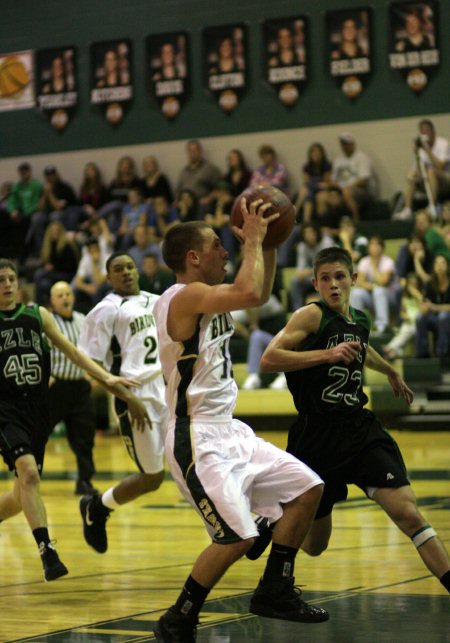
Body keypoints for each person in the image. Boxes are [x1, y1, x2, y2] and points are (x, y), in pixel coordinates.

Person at [152, 208, 329, 641]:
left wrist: (266, 244)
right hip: (195, 437)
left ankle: (275, 589)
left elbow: (259, 291)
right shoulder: (183, 296)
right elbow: (251, 291)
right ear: (193, 257)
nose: (224, 250)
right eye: (216, 245)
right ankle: (179, 619)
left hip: (230, 430)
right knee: (236, 539)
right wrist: (253, 239)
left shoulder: (206, 294)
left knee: (308, 488)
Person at [258, 246, 450, 598]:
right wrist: (326, 354)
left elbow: (362, 346)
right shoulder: (310, 317)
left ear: (354, 279)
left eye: (340, 277)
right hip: (316, 436)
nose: (333, 285)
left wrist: (389, 369)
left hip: (359, 430)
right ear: (316, 284)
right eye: (326, 279)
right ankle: (274, 519)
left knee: (409, 514)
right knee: (315, 545)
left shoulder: (359, 320)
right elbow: (268, 360)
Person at [0, 258, 145, 581]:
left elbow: (75, 354)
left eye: (11, 278)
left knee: (20, 491)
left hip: (37, 408)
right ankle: (47, 551)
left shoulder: (37, 316)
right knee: (29, 474)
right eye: (1, 280)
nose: (7, 284)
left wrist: (108, 379)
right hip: (5, 409)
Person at [78, 252, 170, 554]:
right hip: (135, 394)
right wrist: (127, 398)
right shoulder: (105, 310)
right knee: (153, 478)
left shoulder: (157, 299)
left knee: (192, 460)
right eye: (118, 269)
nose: (126, 272)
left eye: (130, 266)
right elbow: (90, 364)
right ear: (108, 278)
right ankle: (98, 506)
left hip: (166, 388)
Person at [48, 281, 98, 495]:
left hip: (79, 388)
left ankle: (84, 481)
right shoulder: (48, 323)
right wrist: (45, 375)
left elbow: (92, 349)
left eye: (68, 293)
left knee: (85, 437)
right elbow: (40, 353)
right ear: (52, 301)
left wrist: (93, 374)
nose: (65, 298)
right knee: (39, 434)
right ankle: (28, 477)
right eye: (60, 295)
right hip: (55, 388)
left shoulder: (82, 320)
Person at [394, 120, 450, 219]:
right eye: (421, 131)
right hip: (428, 181)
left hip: (445, 180)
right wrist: (416, 153)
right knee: (413, 176)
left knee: (431, 172)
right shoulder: (421, 148)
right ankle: (407, 209)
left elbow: (441, 166)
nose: (424, 133)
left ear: (432, 131)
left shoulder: (443, 144)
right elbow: (419, 168)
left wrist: (427, 149)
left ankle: (432, 206)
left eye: (426, 131)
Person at [349, 235, 399, 335]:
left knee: (379, 291)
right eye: (371, 245)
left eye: (377, 245)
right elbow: (360, 282)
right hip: (372, 295)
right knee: (356, 293)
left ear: (382, 248)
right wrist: (372, 286)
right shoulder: (364, 261)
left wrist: (373, 265)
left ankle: (382, 327)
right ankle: (357, 327)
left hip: (390, 297)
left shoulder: (388, 261)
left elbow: (383, 282)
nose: (374, 247)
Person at [330, 133, 377, 222]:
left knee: (346, 192)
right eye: (343, 144)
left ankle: (356, 220)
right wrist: (336, 187)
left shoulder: (361, 157)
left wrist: (347, 187)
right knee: (326, 196)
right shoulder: (338, 159)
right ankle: (332, 224)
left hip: (363, 191)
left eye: (347, 144)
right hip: (341, 189)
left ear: (353, 144)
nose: (345, 146)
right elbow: (333, 180)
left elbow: (364, 179)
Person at [34, 221, 80, 306]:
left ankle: (38, 303)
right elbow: (44, 262)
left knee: (40, 275)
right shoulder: (48, 245)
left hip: (67, 275)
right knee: (43, 282)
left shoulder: (67, 246)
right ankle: (44, 305)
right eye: (53, 230)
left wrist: (53, 267)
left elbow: (71, 267)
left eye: (57, 230)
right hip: (54, 275)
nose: (55, 232)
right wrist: (47, 266)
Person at [415, 254, 450, 358]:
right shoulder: (429, 284)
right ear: (433, 267)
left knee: (443, 316)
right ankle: (422, 353)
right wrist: (424, 308)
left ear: (448, 266)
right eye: (437, 263)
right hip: (434, 318)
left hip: (447, 319)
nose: (439, 266)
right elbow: (425, 305)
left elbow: (435, 307)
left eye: (442, 263)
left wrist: (435, 307)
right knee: (419, 317)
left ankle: (442, 354)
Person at [6, 163, 43, 259]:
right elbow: (11, 200)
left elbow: (37, 203)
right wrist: (12, 211)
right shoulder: (17, 185)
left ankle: (25, 253)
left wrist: (24, 214)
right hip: (19, 212)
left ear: (29, 172)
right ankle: (9, 252)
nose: (22, 175)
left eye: (24, 173)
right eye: (21, 173)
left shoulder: (37, 185)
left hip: (31, 212)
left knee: (25, 224)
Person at [383, 272, 423, 360]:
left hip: (419, 321)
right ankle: (393, 352)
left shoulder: (421, 295)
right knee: (405, 330)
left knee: (408, 330)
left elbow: (423, 308)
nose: (412, 287)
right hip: (408, 321)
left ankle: (389, 347)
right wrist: (404, 315)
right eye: (410, 284)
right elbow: (402, 311)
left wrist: (417, 295)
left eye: (414, 284)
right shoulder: (404, 296)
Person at [176, 139, 222, 209]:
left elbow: (220, 189)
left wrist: (208, 199)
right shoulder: (184, 172)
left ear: (200, 151)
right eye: (190, 151)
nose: (192, 153)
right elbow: (179, 191)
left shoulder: (210, 169)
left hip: (201, 205)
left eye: (195, 150)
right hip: (185, 206)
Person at [294, 143, 332, 221]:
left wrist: (315, 183)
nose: (316, 154)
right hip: (311, 189)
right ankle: (305, 220)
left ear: (322, 154)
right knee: (307, 193)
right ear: (310, 154)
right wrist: (315, 183)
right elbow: (306, 181)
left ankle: (321, 221)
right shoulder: (307, 166)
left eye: (318, 152)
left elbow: (326, 182)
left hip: (322, 188)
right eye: (314, 152)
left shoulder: (327, 165)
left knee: (317, 194)